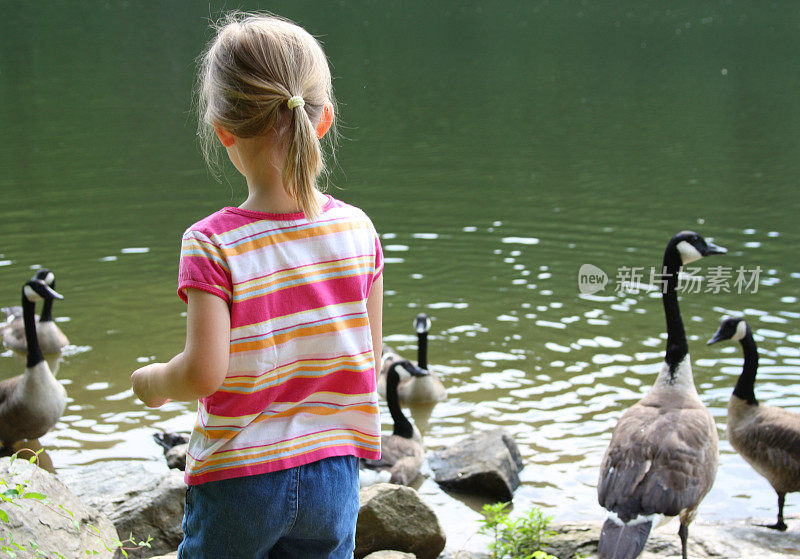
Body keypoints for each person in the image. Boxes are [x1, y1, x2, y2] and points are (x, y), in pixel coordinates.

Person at [130, 12, 383, 558]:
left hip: (239, 480)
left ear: (223, 130)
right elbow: (368, 356)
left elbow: (203, 373)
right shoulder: (358, 230)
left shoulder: (212, 243)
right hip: (332, 474)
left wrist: (155, 382)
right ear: (324, 120)